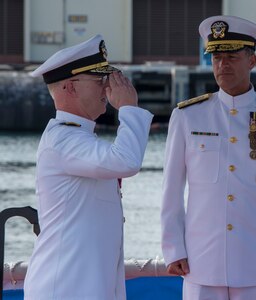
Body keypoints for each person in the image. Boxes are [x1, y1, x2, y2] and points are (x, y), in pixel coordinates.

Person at [160, 15, 256, 300]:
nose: (222, 64)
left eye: (231, 56)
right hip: (202, 263)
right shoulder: (187, 116)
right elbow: (171, 191)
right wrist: (173, 247)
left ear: (251, 61)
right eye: (216, 57)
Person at [23, 34, 153, 300]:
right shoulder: (62, 139)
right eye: (99, 81)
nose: (107, 89)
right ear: (70, 87)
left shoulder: (77, 138)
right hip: (64, 289)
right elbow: (126, 160)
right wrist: (128, 108)